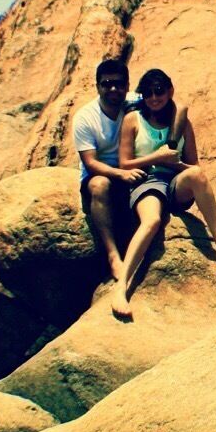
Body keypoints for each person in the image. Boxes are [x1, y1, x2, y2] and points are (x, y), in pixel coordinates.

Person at [110, 66, 216, 318]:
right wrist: (156, 157)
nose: (154, 98)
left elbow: (194, 165)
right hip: (146, 182)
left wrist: (174, 163)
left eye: (158, 91)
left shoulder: (181, 121)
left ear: (169, 91)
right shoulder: (133, 120)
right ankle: (121, 286)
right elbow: (124, 163)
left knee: (198, 176)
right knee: (152, 221)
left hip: (175, 182)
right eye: (147, 93)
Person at [72, 57, 139, 284]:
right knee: (100, 185)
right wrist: (121, 174)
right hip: (99, 174)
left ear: (128, 85)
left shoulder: (135, 103)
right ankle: (113, 255)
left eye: (119, 84)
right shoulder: (85, 117)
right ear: (97, 86)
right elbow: (90, 162)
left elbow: (173, 106)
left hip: (129, 167)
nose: (113, 89)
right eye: (107, 83)